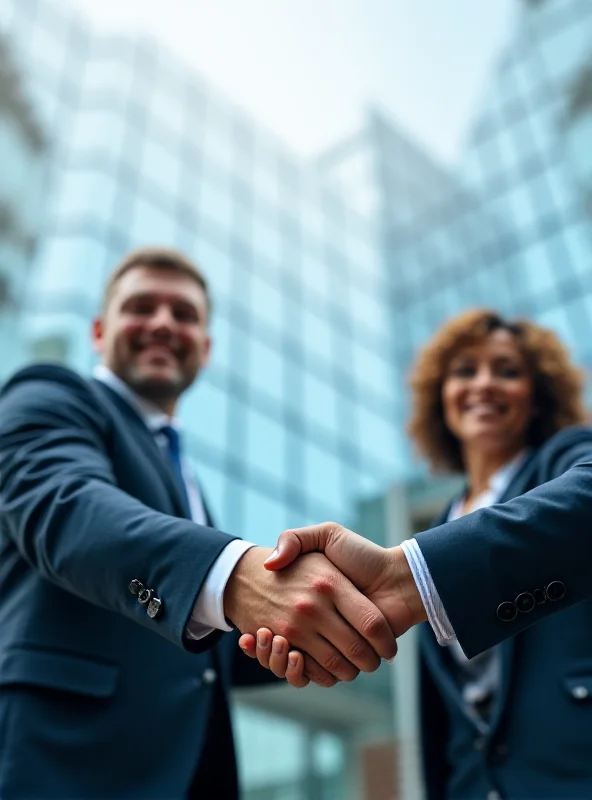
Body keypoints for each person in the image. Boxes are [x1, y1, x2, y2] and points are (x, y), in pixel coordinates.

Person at [0, 247, 396, 799]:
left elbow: (197, 636)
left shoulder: (187, 480)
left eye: (183, 314)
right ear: (97, 331)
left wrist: (318, 618)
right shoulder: (50, 394)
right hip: (64, 762)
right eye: (141, 307)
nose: (163, 323)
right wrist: (234, 574)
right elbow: (67, 507)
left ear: (205, 349)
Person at [241, 309, 592, 799]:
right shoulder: (439, 524)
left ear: (537, 397)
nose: (484, 384)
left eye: (508, 370)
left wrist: (413, 576)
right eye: (465, 371)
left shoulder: (565, 462)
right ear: (440, 398)